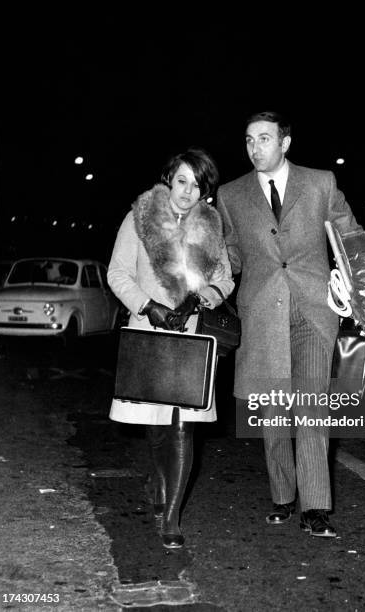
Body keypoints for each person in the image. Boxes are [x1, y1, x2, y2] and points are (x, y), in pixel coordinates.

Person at [216, 111, 362, 538]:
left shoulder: (321, 183)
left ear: (285, 142)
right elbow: (232, 257)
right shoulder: (231, 194)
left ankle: (315, 507)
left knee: (312, 410)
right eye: (248, 140)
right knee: (274, 412)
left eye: (264, 139)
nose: (255, 148)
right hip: (262, 314)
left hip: (314, 312)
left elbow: (349, 238)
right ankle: (283, 494)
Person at [107, 147, 234, 549]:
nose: (187, 191)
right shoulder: (139, 219)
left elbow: (225, 279)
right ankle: (160, 480)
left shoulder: (211, 228)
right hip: (149, 329)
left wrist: (202, 297)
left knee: (182, 426)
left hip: (192, 338)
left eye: (197, 185)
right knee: (156, 426)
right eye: (182, 181)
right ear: (168, 180)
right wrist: (149, 306)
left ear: (205, 193)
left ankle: (172, 516)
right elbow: (117, 273)